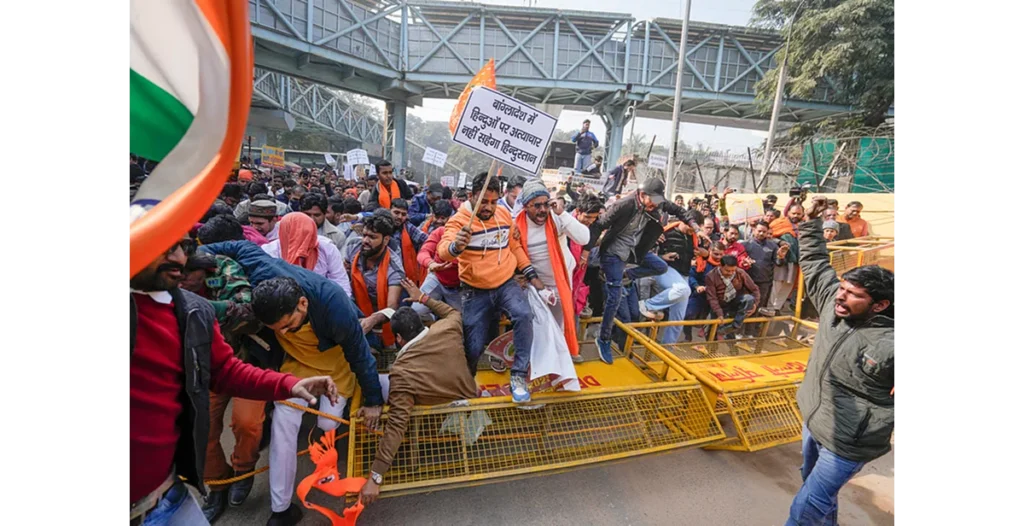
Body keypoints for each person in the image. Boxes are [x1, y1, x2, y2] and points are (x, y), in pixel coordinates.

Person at [129, 238, 339, 526]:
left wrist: (288, 384)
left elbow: (225, 368)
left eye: (178, 248)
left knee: (247, 423)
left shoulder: (193, 309)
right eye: (164, 248)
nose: (178, 260)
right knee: (207, 434)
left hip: (166, 495)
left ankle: (242, 470)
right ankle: (218, 485)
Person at [785, 197, 895, 526]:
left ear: (879, 305)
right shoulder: (835, 307)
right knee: (815, 492)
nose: (840, 296)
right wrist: (809, 222)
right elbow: (817, 263)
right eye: (842, 288)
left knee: (807, 505)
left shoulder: (890, 343)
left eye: (853, 294)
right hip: (815, 421)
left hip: (849, 442)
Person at [358, 279, 478, 505]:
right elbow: (451, 311)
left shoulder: (400, 373)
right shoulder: (449, 326)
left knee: (378, 385)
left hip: (436, 413)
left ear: (399, 339)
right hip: (467, 396)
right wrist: (423, 298)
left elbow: (397, 425)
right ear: (421, 323)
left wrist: (376, 476)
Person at [439, 172, 544, 403]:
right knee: (473, 346)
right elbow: (443, 249)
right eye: (483, 201)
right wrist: (457, 246)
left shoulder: (504, 214)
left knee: (524, 314)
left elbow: (514, 246)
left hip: (506, 283)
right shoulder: (459, 221)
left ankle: (518, 376)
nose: (488, 207)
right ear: (471, 196)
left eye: (493, 202)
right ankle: (467, 382)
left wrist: (530, 273)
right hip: (474, 291)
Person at [591, 177, 707, 363]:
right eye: (652, 201)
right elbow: (600, 224)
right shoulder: (624, 204)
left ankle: (625, 275)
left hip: (635, 251)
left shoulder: (656, 204)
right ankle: (602, 338)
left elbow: (679, 211)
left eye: (658, 202)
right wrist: (586, 251)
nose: (655, 205)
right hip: (614, 252)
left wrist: (696, 227)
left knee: (660, 266)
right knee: (614, 296)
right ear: (642, 195)